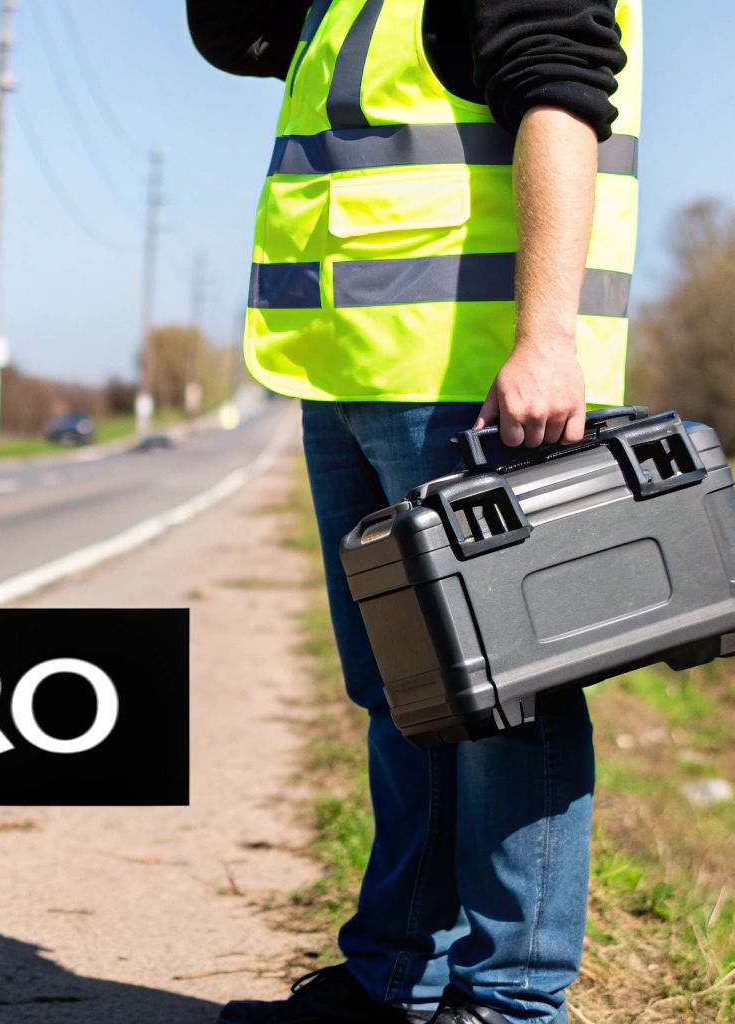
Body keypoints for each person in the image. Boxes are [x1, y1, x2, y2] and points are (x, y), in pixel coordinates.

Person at [187, 1, 640, 1022]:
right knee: (406, 693)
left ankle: (509, 1002)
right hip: (351, 366)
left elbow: (559, 102)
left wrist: (545, 338)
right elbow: (232, 32)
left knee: (507, 696)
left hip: (471, 375)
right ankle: (396, 979)